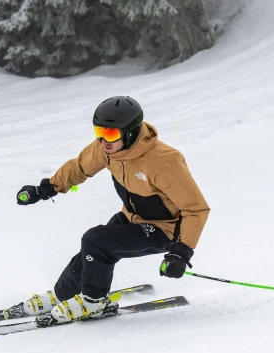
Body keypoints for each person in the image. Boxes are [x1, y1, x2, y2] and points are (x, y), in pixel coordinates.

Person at [13, 96, 210, 326]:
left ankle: (94, 302)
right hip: (133, 218)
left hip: (165, 230)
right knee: (91, 251)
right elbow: (79, 167)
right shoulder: (108, 149)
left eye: (110, 133)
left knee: (96, 242)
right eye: (99, 131)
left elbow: (196, 208)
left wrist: (181, 253)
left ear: (130, 132)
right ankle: (63, 294)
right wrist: (46, 189)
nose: (103, 140)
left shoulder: (163, 161)